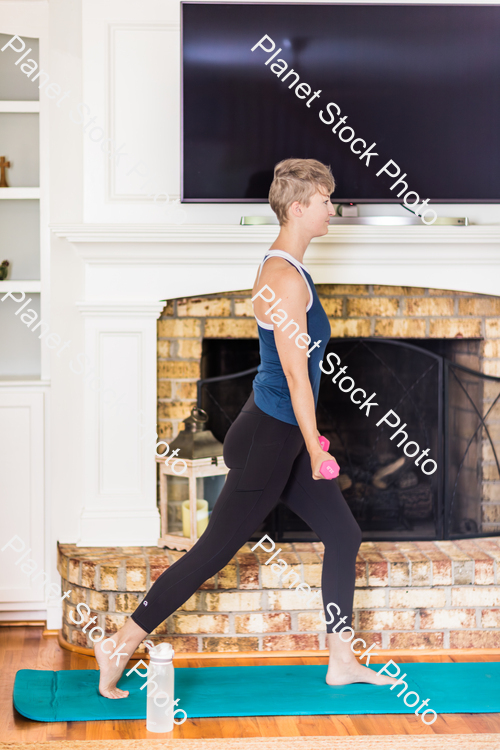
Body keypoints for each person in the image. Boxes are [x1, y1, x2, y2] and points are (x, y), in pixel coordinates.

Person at [94, 158, 396, 698]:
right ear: (299, 207)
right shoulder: (282, 280)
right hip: (269, 438)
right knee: (212, 552)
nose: (334, 208)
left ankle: (342, 658)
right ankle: (119, 642)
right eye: (327, 200)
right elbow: (299, 381)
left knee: (344, 535)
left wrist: (308, 440)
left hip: (278, 431)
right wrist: (315, 445)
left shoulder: (292, 270)